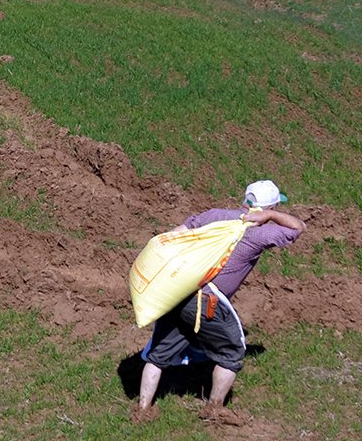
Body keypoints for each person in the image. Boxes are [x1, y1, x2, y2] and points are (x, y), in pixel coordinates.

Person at [131, 180, 305, 426]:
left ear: (245, 200)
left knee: (158, 353)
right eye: (275, 206)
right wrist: (271, 215)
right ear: (271, 205)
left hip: (178, 293)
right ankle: (214, 410)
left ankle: (142, 410)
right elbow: (299, 227)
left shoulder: (216, 216)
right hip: (206, 301)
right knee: (232, 352)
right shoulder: (259, 232)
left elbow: (174, 235)